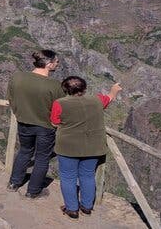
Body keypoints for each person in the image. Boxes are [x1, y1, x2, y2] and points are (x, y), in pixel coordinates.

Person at [51, 76, 122, 219]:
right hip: (93, 146)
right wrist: (114, 90)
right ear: (84, 88)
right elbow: (109, 98)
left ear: (64, 89)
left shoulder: (59, 103)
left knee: (68, 177)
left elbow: (54, 122)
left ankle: (72, 209)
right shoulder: (96, 99)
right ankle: (87, 206)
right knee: (88, 175)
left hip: (68, 147)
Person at [6, 49, 66, 198]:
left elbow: (11, 98)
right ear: (48, 64)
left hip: (23, 122)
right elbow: (61, 107)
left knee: (25, 151)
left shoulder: (17, 77)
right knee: (42, 157)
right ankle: (33, 191)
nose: (58, 64)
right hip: (45, 126)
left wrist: (19, 112)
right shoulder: (55, 86)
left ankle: (14, 183)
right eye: (56, 62)